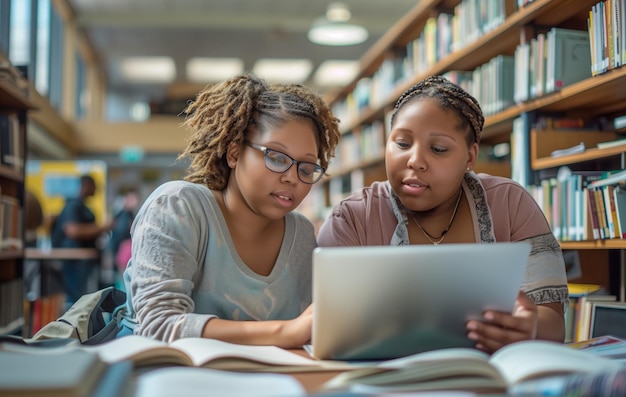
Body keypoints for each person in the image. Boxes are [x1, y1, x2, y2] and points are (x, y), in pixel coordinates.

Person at [317, 75, 569, 354]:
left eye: (438, 149)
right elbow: (331, 333)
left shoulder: (510, 203)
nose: (415, 161)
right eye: (401, 144)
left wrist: (530, 328)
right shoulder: (351, 218)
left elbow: (554, 323)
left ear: (470, 157)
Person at [122, 73, 341, 348]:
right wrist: (283, 332)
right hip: (170, 379)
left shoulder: (301, 233)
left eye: (307, 167)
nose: (292, 177)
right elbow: (158, 325)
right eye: (276, 157)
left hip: (273, 381)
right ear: (234, 153)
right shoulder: (178, 206)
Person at [51, 174, 113, 304]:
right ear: (86, 185)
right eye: (94, 186)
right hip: (74, 260)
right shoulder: (74, 205)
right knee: (74, 299)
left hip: (83, 260)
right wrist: (102, 227)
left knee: (81, 297)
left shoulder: (83, 207)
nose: (95, 189)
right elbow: (73, 231)